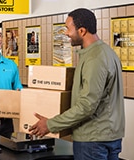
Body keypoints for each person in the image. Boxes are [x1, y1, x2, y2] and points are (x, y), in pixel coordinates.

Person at [29, 8, 125, 160]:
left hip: (93, 141)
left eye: (68, 28)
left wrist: (50, 124)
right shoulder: (106, 52)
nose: (66, 33)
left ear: (82, 31)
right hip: (107, 136)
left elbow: (87, 106)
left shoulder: (95, 59)